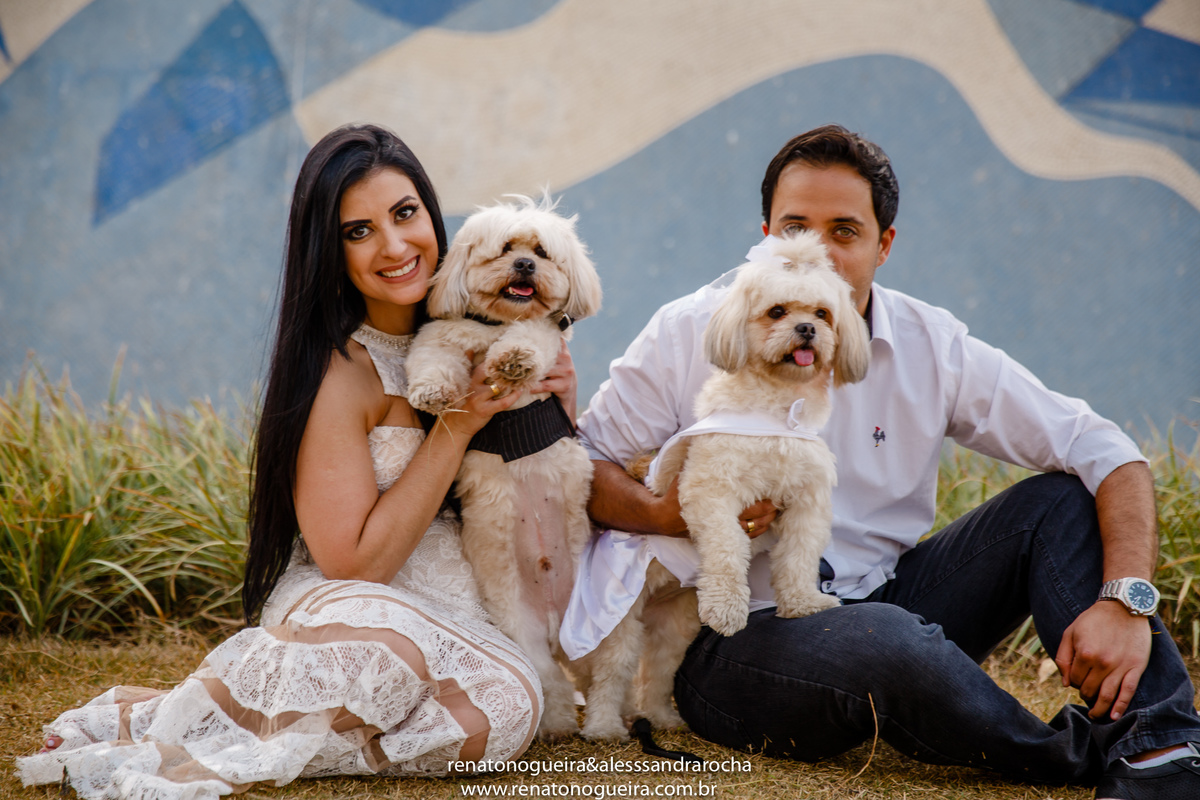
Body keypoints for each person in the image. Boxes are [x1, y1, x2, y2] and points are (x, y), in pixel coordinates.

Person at [574, 124, 1200, 799]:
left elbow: (1108, 452)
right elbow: (585, 465)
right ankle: (1065, 757)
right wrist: (663, 512)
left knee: (1059, 500)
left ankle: (1160, 750)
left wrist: (1127, 601)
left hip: (889, 593)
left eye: (844, 231)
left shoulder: (932, 345)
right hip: (729, 638)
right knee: (887, 638)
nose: (816, 252)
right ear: (763, 235)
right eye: (795, 228)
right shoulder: (689, 328)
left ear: (884, 245)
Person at [19, 123, 573, 798]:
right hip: (360, 604)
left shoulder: (494, 323)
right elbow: (354, 562)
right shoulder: (342, 369)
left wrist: (558, 406)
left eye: (405, 214)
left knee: (508, 704)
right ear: (329, 251)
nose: (394, 246)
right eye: (357, 231)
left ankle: (254, 717)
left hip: (460, 608)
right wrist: (456, 426)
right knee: (401, 659)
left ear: (432, 213)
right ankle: (188, 720)